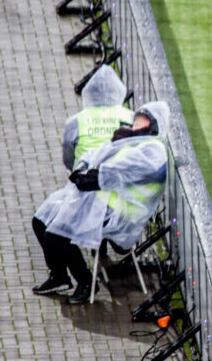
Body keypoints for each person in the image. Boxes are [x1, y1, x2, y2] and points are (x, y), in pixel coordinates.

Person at [32, 101, 170, 304]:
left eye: (140, 123)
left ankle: (86, 282)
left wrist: (95, 176)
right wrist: (83, 168)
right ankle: (59, 276)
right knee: (40, 222)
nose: (134, 126)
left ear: (153, 127)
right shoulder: (129, 141)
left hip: (118, 214)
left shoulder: (153, 152)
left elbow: (121, 171)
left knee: (56, 235)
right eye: (135, 122)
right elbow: (94, 155)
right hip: (96, 201)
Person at [62, 64, 133, 171]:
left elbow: (68, 159)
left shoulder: (75, 121)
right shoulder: (130, 117)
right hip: (120, 177)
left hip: (84, 179)